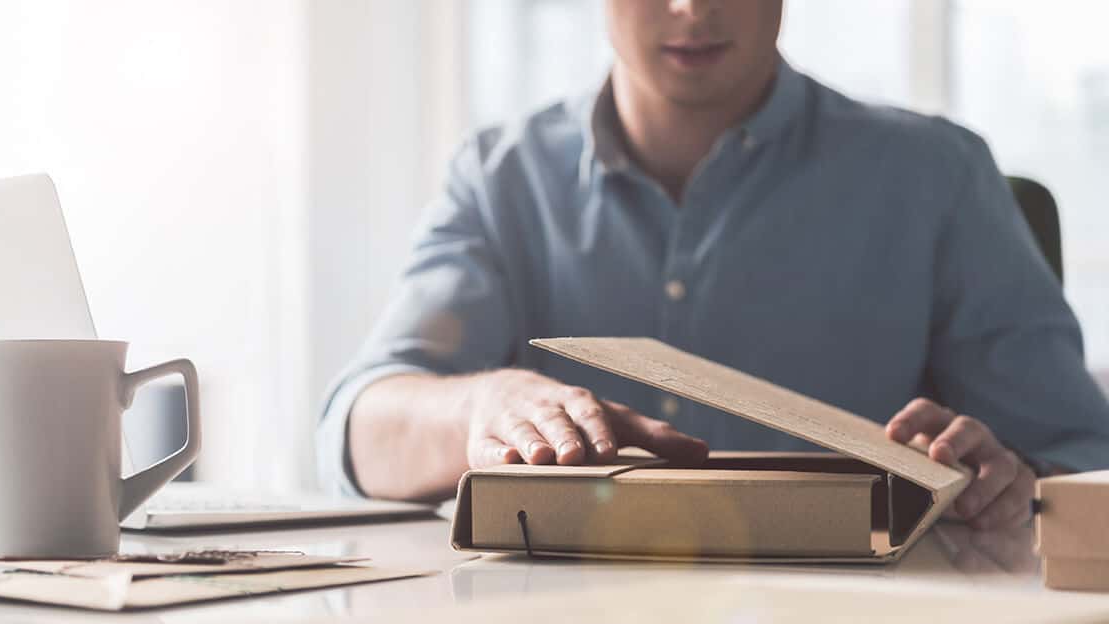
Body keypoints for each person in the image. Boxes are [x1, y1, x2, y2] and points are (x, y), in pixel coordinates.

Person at [317, 0, 1109, 530]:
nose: (693, 7)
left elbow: (1082, 459)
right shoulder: (499, 180)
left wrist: (1011, 481)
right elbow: (355, 435)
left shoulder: (937, 178)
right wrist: (482, 408)